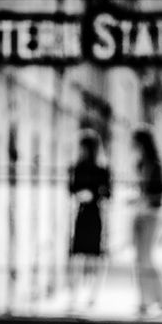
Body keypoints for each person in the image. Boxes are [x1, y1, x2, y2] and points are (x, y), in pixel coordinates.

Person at [68, 131, 111, 312]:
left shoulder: (102, 169)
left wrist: (93, 195)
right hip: (82, 213)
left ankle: (93, 295)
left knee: (94, 257)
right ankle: (74, 295)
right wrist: (80, 195)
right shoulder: (77, 167)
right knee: (77, 255)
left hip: (94, 213)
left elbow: (108, 192)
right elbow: (71, 188)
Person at [131, 124, 162, 317]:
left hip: (151, 215)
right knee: (140, 260)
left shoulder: (155, 166)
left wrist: (145, 201)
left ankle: (157, 299)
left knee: (146, 259)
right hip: (140, 214)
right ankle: (149, 300)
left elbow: (159, 194)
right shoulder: (140, 165)